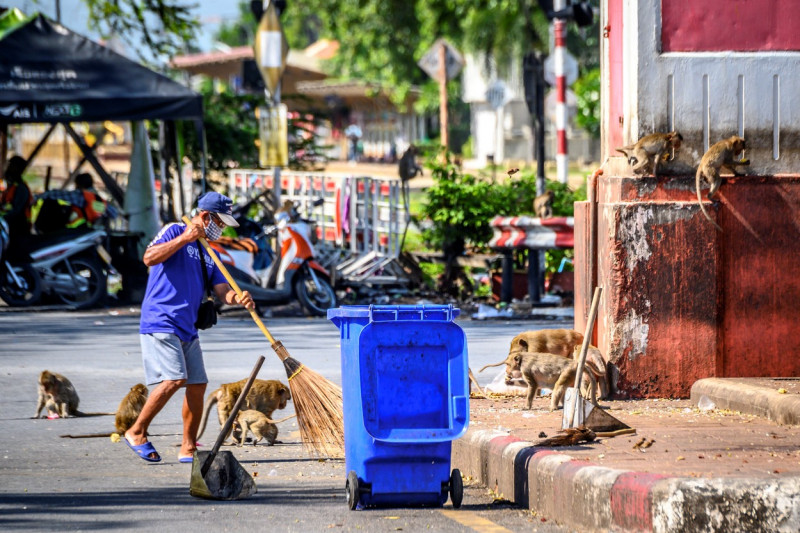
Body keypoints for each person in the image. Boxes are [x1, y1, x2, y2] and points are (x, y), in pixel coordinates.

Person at [123, 191, 255, 463]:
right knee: (175, 379)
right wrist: (185, 238)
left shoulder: (211, 253)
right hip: (162, 319)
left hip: (187, 326)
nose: (222, 228)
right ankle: (136, 431)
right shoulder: (174, 230)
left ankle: (188, 448)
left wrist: (238, 298)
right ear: (206, 216)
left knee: (197, 384)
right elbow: (149, 258)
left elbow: (222, 292)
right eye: (220, 222)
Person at [0, 156, 33, 251]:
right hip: (10, 227)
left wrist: (3, 218)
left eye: (11, 165)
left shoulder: (21, 188)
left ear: (18, 169)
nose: (8, 168)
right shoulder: (11, 186)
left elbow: (15, 211)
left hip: (18, 229)